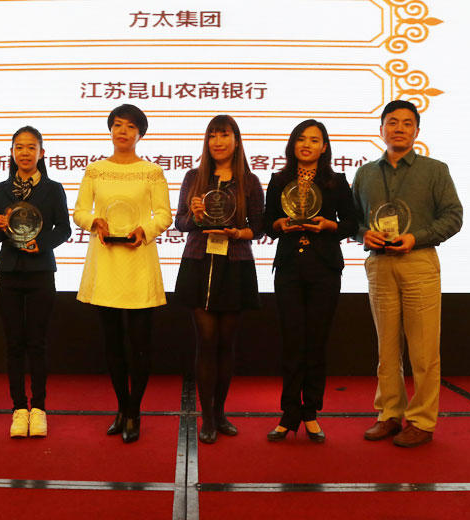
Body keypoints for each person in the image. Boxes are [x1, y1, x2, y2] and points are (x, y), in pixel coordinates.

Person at [352, 100, 463, 447]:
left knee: (424, 350)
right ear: (381, 129)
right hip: (379, 264)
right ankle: (389, 414)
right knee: (386, 348)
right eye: (392, 122)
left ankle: (422, 421)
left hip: (419, 260)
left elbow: (453, 216)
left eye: (406, 123)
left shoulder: (435, 170)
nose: (399, 128)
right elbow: (352, 220)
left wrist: (417, 237)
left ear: (417, 131)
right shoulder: (365, 174)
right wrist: (362, 234)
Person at [73, 104, 172, 443]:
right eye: (117, 125)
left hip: (138, 263)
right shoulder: (95, 170)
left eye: (130, 126)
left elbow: (163, 215)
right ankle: (121, 408)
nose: (123, 131)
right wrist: (94, 222)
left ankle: (135, 410)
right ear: (110, 130)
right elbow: (80, 212)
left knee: (140, 344)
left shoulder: (152, 172)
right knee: (113, 344)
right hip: (106, 263)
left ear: (140, 133)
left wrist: (145, 230)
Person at [263, 119, 357, 443]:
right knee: (292, 343)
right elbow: (266, 223)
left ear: (324, 147)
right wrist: (279, 224)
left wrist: (329, 226)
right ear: (292, 144)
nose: (306, 145)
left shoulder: (336, 181)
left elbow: (351, 224)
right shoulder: (278, 180)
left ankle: (311, 413)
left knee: (316, 343)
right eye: (301, 139)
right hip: (289, 268)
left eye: (314, 140)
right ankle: (289, 414)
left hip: (324, 269)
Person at [173, 115, 264, 444]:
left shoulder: (249, 181)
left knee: (226, 342)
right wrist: (194, 215)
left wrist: (237, 232)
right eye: (212, 135)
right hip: (199, 262)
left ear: (236, 141)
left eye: (224, 135)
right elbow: (180, 223)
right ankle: (207, 417)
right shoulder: (193, 177)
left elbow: (259, 227)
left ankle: (221, 411)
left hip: (235, 263)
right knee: (207, 340)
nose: (218, 141)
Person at [0, 126, 71, 438]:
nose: (25, 153)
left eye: (31, 147)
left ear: (42, 152)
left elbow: (64, 228)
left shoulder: (53, 188)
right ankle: (18, 408)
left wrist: (42, 244)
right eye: (19, 147)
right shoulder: (1, 189)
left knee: (36, 343)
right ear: (12, 153)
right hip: (8, 272)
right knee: (13, 343)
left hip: (40, 271)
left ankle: (39, 408)